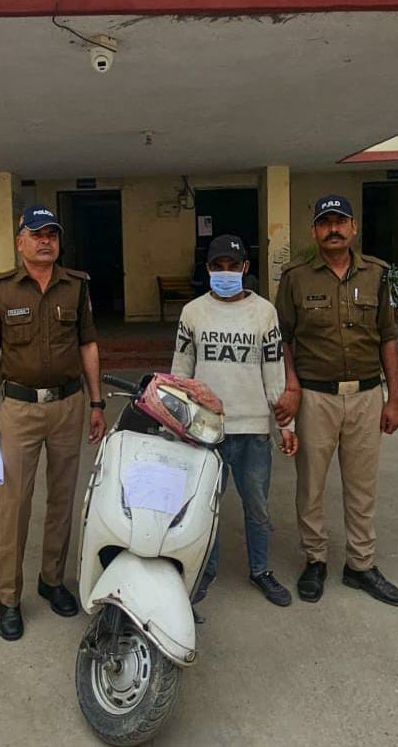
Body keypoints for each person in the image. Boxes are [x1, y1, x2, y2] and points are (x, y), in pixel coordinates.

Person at [0, 205, 106, 642]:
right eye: (36, 233)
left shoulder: (77, 287)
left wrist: (97, 402)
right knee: (15, 504)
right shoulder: (0, 290)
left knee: (62, 499)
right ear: (20, 242)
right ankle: (9, 598)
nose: (45, 240)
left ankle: (52, 580)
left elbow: (88, 345)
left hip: (68, 406)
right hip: (19, 410)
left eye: (52, 233)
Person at [275, 195, 398, 608]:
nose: (333, 228)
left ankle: (360, 565)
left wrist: (394, 398)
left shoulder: (377, 275)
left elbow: (388, 337)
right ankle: (315, 560)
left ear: (353, 227)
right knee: (311, 486)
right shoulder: (295, 278)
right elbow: (282, 339)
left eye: (340, 221)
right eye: (325, 222)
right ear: (314, 231)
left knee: (362, 487)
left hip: (366, 397)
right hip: (315, 397)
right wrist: (291, 387)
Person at [172, 234, 297, 607]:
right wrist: (177, 424)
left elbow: (274, 372)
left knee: (257, 506)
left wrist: (286, 425)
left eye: (232, 266)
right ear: (207, 268)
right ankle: (204, 570)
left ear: (245, 268)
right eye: (218, 266)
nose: (225, 272)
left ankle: (260, 570)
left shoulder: (264, 313)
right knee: (204, 506)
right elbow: (181, 373)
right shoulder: (193, 313)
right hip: (206, 430)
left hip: (253, 430)